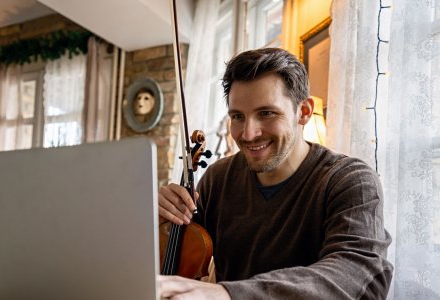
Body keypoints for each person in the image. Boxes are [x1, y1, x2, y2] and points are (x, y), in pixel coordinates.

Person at [157, 48, 393, 299]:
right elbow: (179, 250)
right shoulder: (218, 178)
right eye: (238, 116)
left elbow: (353, 274)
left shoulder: (350, 181)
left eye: (266, 113)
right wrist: (160, 218)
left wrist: (227, 294)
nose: (248, 134)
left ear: (303, 112)